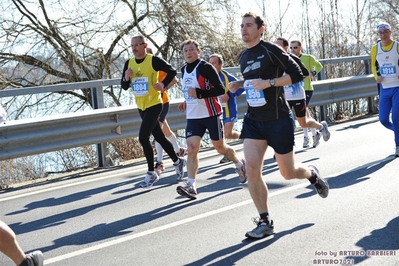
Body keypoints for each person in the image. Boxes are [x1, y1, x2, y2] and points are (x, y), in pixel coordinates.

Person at [229, 12, 329, 239]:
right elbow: (254, 82)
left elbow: (300, 73)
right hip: (254, 121)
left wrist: (270, 82)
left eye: (248, 25)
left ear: (260, 29)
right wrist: (240, 84)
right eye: (241, 26)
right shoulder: (244, 56)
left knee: (288, 172)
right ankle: (265, 221)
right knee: (253, 170)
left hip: (278, 119)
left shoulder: (271, 50)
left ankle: (312, 175)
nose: (244, 29)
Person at [176, 39, 247, 200]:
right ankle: (192, 185)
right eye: (185, 50)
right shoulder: (183, 70)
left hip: (211, 114)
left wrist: (199, 94)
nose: (188, 53)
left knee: (220, 148)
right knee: (192, 148)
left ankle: (239, 164)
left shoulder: (205, 67)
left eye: (191, 49)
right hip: (193, 116)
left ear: (198, 52)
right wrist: (186, 101)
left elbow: (220, 89)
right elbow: (190, 91)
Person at [121, 35, 186, 188]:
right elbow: (124, 87)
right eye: (132, 46)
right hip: (141, 106)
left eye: (138, 45)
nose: (135, 48)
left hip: (155, 104)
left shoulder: (153, 60)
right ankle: (178, 161)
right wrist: (125, 78)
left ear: (145, 45)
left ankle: (151, 173)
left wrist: (163, 84)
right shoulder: (128, 63)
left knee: (143, 138)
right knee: (160, 137)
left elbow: (172, 72)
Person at [274, 37, 330, 148]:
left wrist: (296, 74)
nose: (275, 48)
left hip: (298, 94)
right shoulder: (274, 60)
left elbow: (304, 72)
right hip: (285, 96)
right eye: (274, 46)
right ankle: (289, 143)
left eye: (278, 46)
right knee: (283, 120)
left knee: (303, 122)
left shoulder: (293, 58)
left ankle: (321, 127)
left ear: (285, 48)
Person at [146, 47, 187, 173]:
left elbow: (174, 78)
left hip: (162, 103)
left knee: (157, 132)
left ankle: (160, 162)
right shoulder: (142, 69)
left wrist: (165, 87)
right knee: (166, 131)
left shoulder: (158, 66)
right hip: (150, 104)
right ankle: (179, 150)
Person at [209, 54, 244, 163]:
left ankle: (245, 136)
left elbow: (241, 87)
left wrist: (228, 95)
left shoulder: (227, 77)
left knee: (228, 134)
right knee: (221, 135)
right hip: (216, 110)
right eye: (210, 63)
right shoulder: (208, 77)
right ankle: (227, 153)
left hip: (229, 109)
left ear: (220, 64)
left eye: (214, 63)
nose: (212, 65)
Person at [371, 22, 399, 157]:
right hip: (384, 88)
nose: (383, 35)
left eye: (385, 32)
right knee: (383, 119)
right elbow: (373, 66)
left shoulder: (397, 46)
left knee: (396, 117)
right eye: (380, 33)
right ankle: (398, 130)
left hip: (397, 87)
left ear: (390, 32)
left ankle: (398, 145)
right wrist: (377, 76)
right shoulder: (375, 49)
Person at [290, 39, 324, 148]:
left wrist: (312, 73)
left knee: (303, 115)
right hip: (296, 91)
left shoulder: (308, 58)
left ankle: (306, 137)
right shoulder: (289, 59)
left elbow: (319, 66)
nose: (293, 50)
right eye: (291, 48)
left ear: (301, 47)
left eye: (295, 47)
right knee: (304, 114)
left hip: (307, 89)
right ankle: (315, 134)